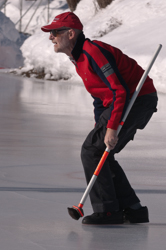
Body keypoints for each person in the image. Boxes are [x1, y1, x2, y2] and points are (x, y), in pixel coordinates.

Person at [41, 12, 158, 225]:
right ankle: (133, 209)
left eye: (55, 32)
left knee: (92, 150)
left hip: (137, 98)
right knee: (101, 151)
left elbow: (119, 90)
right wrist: (100, 128)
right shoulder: (79, 58)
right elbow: (100, 98)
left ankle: (108, 211)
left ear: (70, 34)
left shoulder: (92, 52)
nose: (51, 37)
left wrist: (111, 129)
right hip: (125, 100)